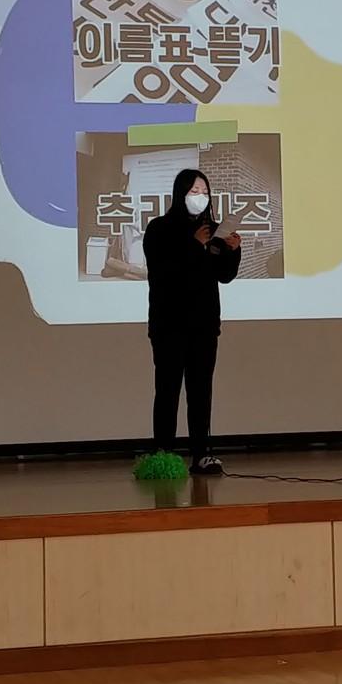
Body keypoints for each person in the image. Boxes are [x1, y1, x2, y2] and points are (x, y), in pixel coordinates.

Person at [142, 169, 241, 475]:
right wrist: (194, 245)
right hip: (169, 325)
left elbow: (223, 275)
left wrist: (232, 251)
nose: (200, 197)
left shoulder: (212, 230)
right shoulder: (160, 229)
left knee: (201, 392)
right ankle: (163, 454)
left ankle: (201, 454)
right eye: (194, 192)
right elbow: (163, 271)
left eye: (205, 192)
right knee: (168, 390)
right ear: (180, 194)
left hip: (204, 325)